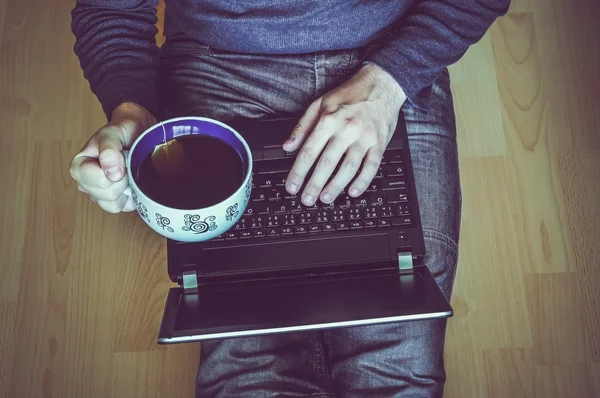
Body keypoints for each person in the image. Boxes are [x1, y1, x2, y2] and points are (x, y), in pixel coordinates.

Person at [69, 0, 510, 396]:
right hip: (218, 66)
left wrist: (390, 81)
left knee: (395, 375)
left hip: (389, 56)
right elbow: (111, 9)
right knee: (249, 379)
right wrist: (131, 110)